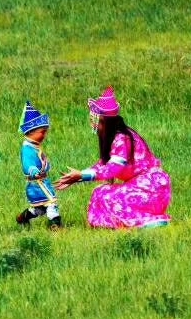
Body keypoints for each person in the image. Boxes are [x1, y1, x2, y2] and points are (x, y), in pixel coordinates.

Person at [55, 86, 171, 229]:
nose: (94, 124)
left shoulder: (122, 138)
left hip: (151, 188)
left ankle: (148, 221)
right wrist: (78, 176)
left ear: (103, 121)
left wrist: (82, 175)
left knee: (111, 198)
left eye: (96, 120)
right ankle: (113, 225)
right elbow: (103, 165)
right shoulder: (116, 138)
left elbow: (112, 169)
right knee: (100, 193)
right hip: (140, 185)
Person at [15, 101, 63, 230]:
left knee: (39, 209)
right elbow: (27, 164)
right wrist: (33, 170)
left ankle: (23, 218)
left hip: (41, 183)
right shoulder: (27, 150)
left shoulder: (34, 147)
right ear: (31, 132)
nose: (44, 135)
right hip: (37, 184)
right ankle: (56, 226)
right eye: (42, 132)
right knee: (51, 203)